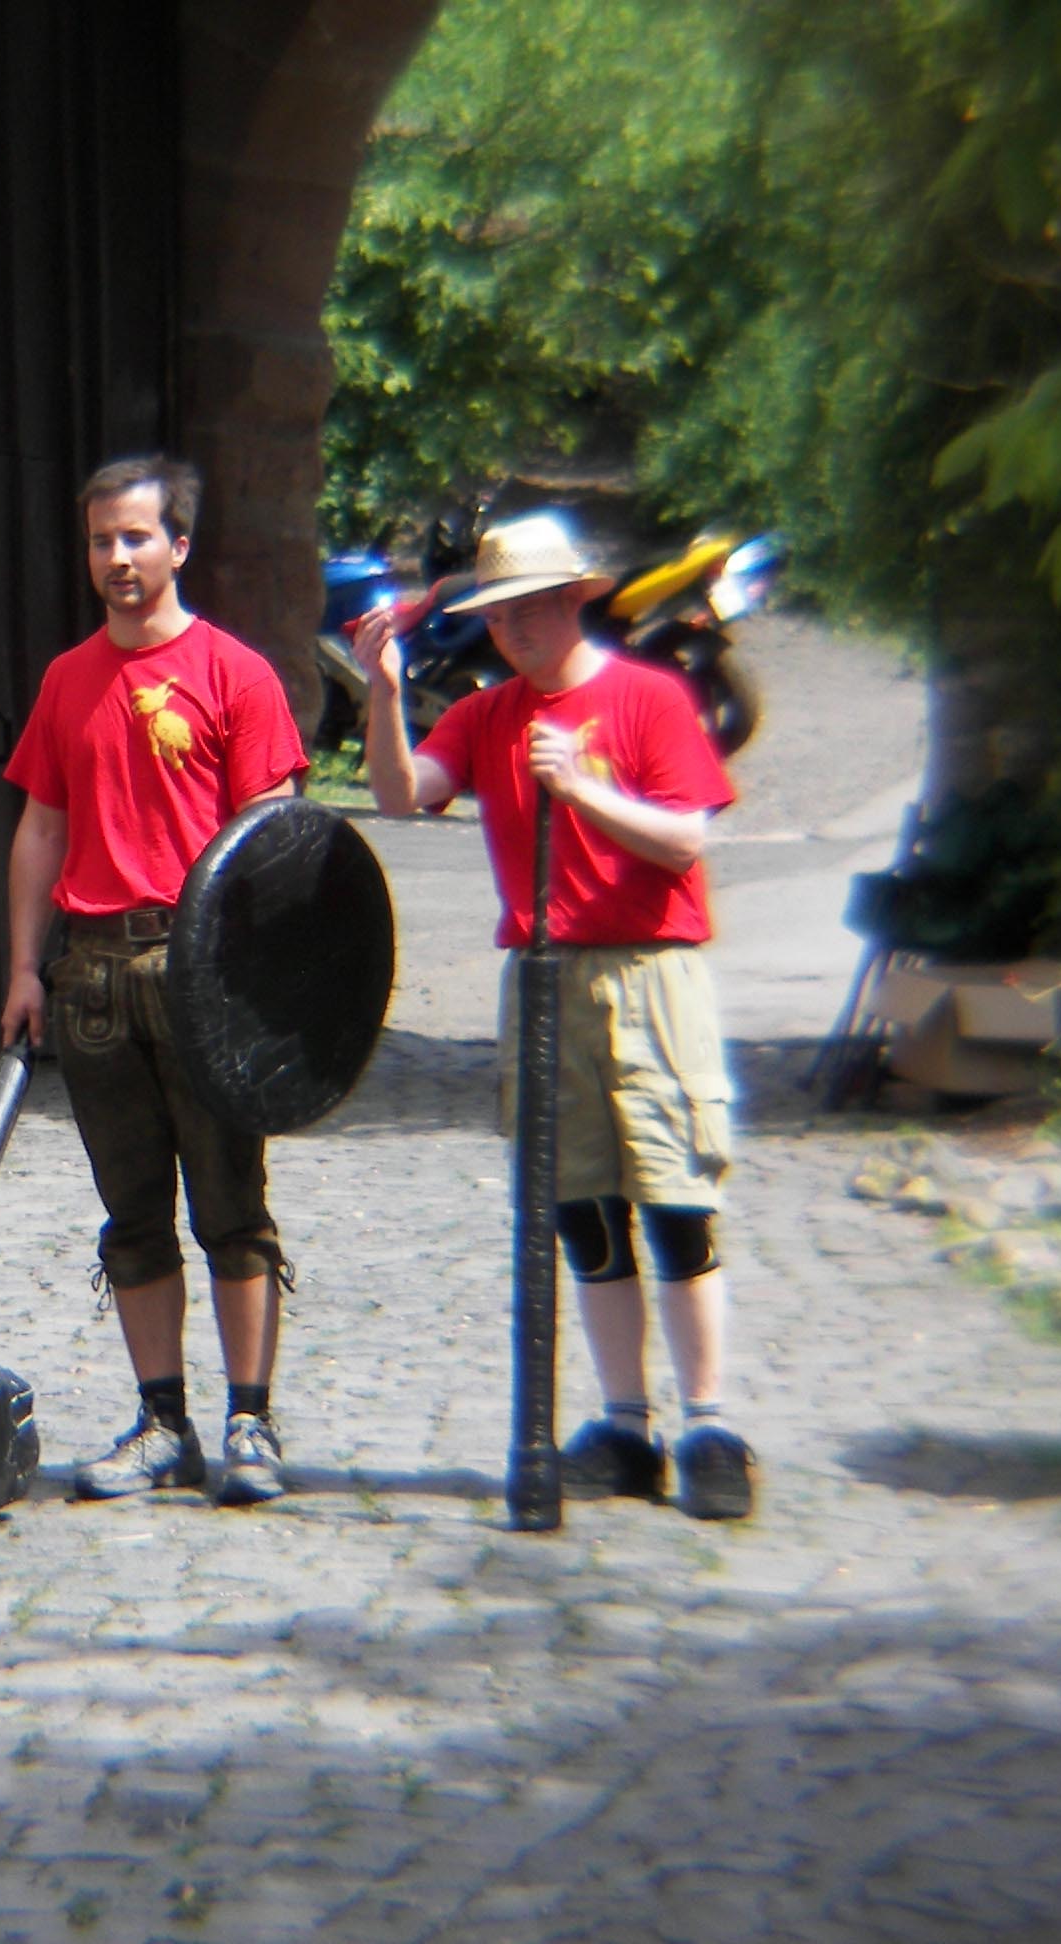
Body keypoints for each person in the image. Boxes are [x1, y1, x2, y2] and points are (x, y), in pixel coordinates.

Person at [355, 511, 756, 1520]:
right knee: (584, 1211)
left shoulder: (649, 697)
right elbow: (402, 796)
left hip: (648, 971)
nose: (514, 630)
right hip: (541, 981)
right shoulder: (486, 715)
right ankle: (626, 1425)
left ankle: (708, 1425)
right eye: (498, 615)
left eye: (531, 607)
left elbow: (685, 839)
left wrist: (579, 788)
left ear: (575, 600)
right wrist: (386, 693)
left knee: (675, 1201)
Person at [0, 456, 309, 1507]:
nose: (117, 558)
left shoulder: (236, 675)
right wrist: (23, 968)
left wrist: (258, 986)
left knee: (231, 1205)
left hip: (200, 967)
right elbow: (41, 829)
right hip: (93, 971)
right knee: (131, 1213)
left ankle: (250, 1421)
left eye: (136, 537)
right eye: (102, 540)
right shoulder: (68, 680)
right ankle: (162, 1421)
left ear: (179, 545)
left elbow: (274, 841)